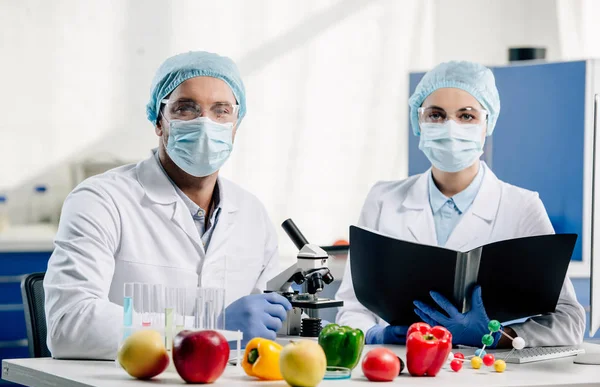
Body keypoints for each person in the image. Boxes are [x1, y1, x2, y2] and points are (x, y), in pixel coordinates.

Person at [44, 51, 292, 360]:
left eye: (220, 110)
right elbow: (68, 326)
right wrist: (209, 330)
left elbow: (269, 329)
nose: (205, 123)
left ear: (235, 125)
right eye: (186, 108)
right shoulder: (100, 199)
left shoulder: (252, 214)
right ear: (159, 121)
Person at [335, 61, 586, 348]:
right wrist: (376, 335)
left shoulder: (522, 207)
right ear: (419, 122)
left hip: (489, 378)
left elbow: (569, 321)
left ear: (487, 123)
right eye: (436, 115)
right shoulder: (383, 199)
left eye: (466, 116)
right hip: (400, 371)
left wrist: (496, 338)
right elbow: (352, 308)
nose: (450, 128)